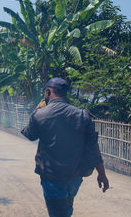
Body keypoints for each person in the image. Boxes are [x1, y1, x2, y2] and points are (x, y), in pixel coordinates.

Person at [21, 77, 109, 217]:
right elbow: (93, 147)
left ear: (49, 92)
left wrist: (36, 111)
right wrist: (102, 174)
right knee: (66, 209)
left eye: (46, 92)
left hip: (52, 177)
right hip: (75, 176)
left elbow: (29, 135)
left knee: (59, 213)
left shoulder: (40, 115)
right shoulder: (82, 115)